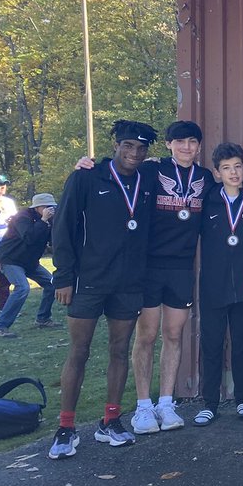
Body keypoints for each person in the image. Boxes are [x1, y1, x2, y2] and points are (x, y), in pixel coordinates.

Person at [48, 120, 157, 460]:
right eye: (127, 146)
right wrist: (63, 277)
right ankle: (65, 428)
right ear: (115, 144)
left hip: (128, 283)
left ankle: (110, 421)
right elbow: (62, 226)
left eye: (141, 149)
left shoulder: (149, 180)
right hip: (88, 281)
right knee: (79, 352)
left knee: (119, 350)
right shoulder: (86, 176)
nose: (134, 153)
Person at [125, 121, 212, 435]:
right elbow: (117, 170)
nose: (186, 147)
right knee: (146, 336)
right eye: (179, 142)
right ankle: (143, 406)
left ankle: (166, 402)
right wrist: (89, 163)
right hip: (149, 267)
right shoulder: (150, 170)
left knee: (174, 335)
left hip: (181, 268)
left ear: (199, 146)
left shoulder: (206, 179)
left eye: (192, 141)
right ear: (168, 145)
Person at [193, 143, 243, 426]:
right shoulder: (207, 200)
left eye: (238, 167)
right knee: (212, 344)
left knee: (242, 343)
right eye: (226, 168)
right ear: (217, 173)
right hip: (213, 286)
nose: (233, 173)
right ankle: (210, 402)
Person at [0, 193, 57, 337]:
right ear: (37, 208)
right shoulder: (22, 217)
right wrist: (43, 220)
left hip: (29, 262)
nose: (50, 209)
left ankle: (43, 319)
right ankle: (0, 326)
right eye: (47, 207)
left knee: (52, 284)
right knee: (22, 287)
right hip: (11, 259)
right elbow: (29, 237)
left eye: (52, 207)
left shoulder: (49, 220)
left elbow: (52, 240)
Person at [0, 173, 17, 310]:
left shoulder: (8, 203)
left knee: (4, 280)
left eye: (3, 188)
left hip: (4, 246)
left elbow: (15, 221)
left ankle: (5, 308)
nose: (0, 191)